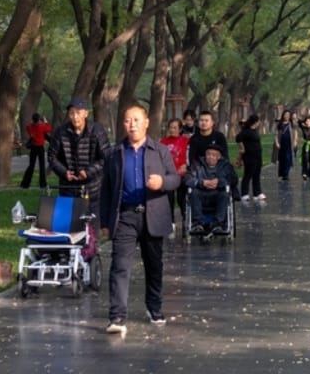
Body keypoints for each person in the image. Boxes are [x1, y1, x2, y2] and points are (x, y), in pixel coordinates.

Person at [100, 103, 181, 335]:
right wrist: (104, 221)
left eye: (136, 120)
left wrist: (162, 183)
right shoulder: (114, 153)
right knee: (120, 266)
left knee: (154, 265)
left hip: (153, 214)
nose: (132, 125)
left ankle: (154, 308)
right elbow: (106, 189)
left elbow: (175, 178)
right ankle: (117, 316)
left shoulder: (160, 151)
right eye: (127, 120)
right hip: (125, 216)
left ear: (146, 123)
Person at [48, 97, 110, 215]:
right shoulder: (61, 132)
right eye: (71, 113)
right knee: (68, 223)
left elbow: (106, 156)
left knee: (91, 223)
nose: (75, 117)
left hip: (92, 188)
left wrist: (88, 172)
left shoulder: (97, 131)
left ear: (86, 113)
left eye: (78, 113)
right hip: (67, 188)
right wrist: (64, 172)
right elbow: (52, 156)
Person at [186, 143, 239, 234]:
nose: (210, 157)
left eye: (214, 155)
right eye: (208, 154)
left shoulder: (226, 166)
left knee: (224, 194)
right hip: (201, 193)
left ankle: (218, 224)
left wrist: (219, 182)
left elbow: (233, 180)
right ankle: (198, 223)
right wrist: (202, 183)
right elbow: (188, 179)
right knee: (193, 193)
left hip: (218, 193)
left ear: (219, 157)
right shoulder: (197, 164)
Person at [159, 118, 190, 231]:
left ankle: (185, 218)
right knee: (169, 197)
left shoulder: (186, 141)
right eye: (170, 127)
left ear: (180, 129)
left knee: (182, 197)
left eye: (175, 128)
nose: (172, 130)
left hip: (182, 173)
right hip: (168, 175)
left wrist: (186, 166)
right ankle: (171, 221)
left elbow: (190, 156)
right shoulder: (163, 142)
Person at [235, 114, 265, 201]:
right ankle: (244, 193)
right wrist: (242, 148)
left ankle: (257, 193)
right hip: (249, 156)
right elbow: (238, 138)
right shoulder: (247, 131)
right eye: (258, 121)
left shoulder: (255, 131)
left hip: (257, 156)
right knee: (248, 174)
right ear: (255, 122)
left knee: (257, 174)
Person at [20, 113, 51, 189]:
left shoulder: (30, 127)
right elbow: (49, 128)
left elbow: (28, 127)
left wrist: (33, 123)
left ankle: (25, 183)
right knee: (42, 166)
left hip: (33, 147)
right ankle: (42, 184)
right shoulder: (41, 127)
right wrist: (45, 122)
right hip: (40, 147)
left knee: (31, 166)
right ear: (39, 119)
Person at [275, 110, 296, 181]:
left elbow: (295, 132)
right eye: (285, 114)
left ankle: (286, 174)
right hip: (281, 144)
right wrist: (277, 142)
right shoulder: (280, 124)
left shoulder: (291, 124)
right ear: (283, 115)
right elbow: (276, 134)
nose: (286, 116)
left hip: (289, 144)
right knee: (282, 159)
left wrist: (295, 141)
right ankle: (282, 174)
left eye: (288, 115)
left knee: (288, 159)